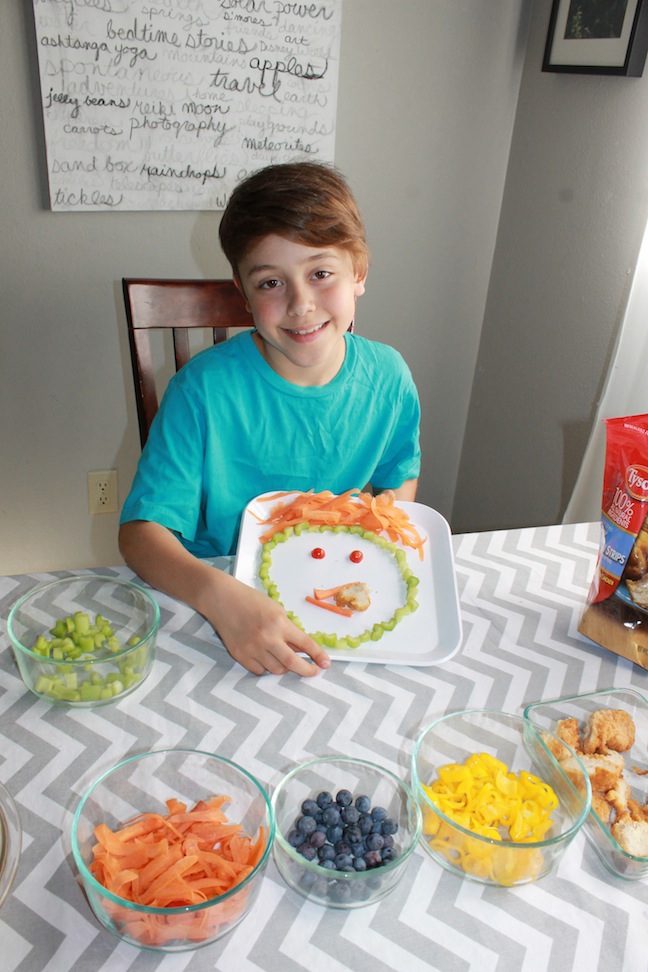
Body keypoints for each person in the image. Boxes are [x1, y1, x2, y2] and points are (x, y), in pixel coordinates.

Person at [119, 161, 421, 677]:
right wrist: (220, 595)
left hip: (331, 596)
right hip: (216, 598)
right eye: (271, 283)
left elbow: (399, 480)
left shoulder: (389, 378)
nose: (301, 305)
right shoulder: (202, 392)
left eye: (321, 273)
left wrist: (370, 544)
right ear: (242, 290)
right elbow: (141, 536)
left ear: (359, 273)